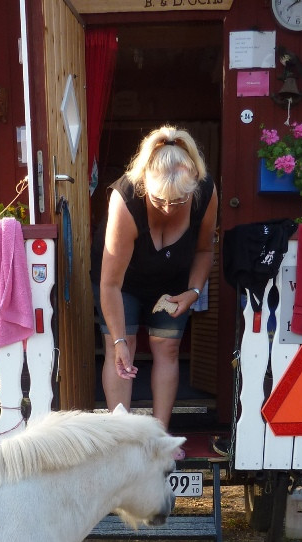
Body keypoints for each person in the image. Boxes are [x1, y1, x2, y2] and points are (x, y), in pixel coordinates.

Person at [90, 125, 218, 432]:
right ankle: (123, 439)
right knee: (122, 350)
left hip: (173, 278)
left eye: (178, 201)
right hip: (123, 282)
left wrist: (193, 291)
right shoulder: (126, 198)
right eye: (161, 200)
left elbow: (204, 250)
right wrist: (119, 339)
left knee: (167, 347)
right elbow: (110, 284)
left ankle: (159, 437)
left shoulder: (205, 191)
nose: (169, 207)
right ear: (146, 184)